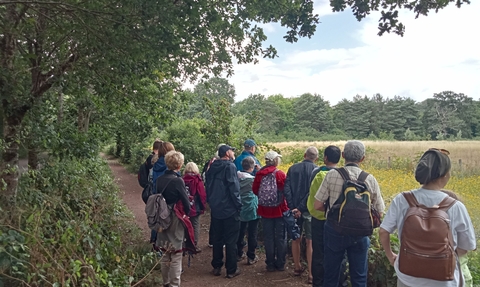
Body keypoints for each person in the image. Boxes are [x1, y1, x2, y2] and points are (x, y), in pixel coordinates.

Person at [379, 148, 476, 287]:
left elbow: (383, 232)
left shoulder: (402, 200)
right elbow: (466, 247)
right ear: (445, 175)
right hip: (444, 280)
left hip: (408, 278)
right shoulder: (456, 206)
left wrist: (391, 257)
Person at [314, 140, 385, 287]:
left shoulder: (332, 175)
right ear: (362, 158)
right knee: (359, 278)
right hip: (360, 232)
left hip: (334, 230)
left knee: (331, 275)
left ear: (343, 155)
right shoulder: (369, 179)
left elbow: (318, 205)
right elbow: (380, 211)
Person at [155, 151, 196, 287]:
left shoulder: (160, 179)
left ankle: (165, 282)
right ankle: (174, 284)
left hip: (161, 217)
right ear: (179, 165)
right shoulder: (178, 180)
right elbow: (186, 202)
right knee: (176, 253)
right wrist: (187, 214)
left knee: (165, 251)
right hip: (175, 218)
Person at [307, 145, 342, 287]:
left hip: (317, 219)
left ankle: (318, 283)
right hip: (336, 221)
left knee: (318, 254)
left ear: (325, 158)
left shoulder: (317, 173)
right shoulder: (342, 175)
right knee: (336, 253)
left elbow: (312, 198)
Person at [206, 145, 242, 279]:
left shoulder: (212, 166)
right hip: (229, 209)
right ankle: (231, 269)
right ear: (227, 153)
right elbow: (234, 188)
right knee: (231, 240)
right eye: (232, 150)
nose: (233, 153)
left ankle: (216, 266)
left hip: (216, 208)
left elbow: (208, 185)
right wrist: (239, 205)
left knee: (217, 238)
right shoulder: (230, 167)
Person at [284, 146, 318, 283]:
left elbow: (286, 188)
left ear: (304, 155)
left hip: (294, 211)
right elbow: (312, 192)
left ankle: (297, 267)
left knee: (295, 238)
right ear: (316, 158)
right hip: (309, 211)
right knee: (310, 241)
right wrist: (302, 207)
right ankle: (311, 274)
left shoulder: (292, 168)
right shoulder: (317, 171)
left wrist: (294, 207)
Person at [252, 150, 287, 272]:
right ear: (276, 160)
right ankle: (281, 263)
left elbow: (255, 190)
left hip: (264, 210)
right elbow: (285, 192)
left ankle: (270, 263)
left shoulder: (259, 174)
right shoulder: (280, 174)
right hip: (279, 210)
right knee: (280, 237)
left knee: (268, 237)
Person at [236, 156, 261, 265]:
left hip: (240, 208)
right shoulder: (253, 180)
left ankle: (239, 253)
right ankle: (251, 256)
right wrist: (259, 170)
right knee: (252, 233)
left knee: (240, 232)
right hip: (252, 208)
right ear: (252, 167)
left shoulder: (236, 177)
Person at [151, 141, 175, 246]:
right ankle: (166, 245)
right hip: (168, 196)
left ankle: (154, 240)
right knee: (168, 220)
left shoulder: (155, 164)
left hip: (156, 195)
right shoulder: (169, 165)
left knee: (157, 218)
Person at [182, 162, 207, 253]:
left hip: (184, 206)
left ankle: (184, 244)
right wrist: (203, 206)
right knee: (195, 225)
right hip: (195, 206)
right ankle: (193, 245)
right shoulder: (197, 180)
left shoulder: (182, 179)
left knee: (185, 225)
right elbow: (202, 194)